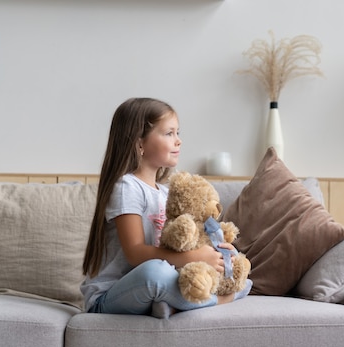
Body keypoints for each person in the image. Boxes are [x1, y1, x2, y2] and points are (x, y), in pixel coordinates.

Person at [81, 97, 251, 318]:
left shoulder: (166, 193)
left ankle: (169, 302)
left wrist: (216, 252)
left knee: (236, 262)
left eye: (178, 133)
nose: (178, 141)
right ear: (139, 143)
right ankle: (218, 300)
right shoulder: (127, 187)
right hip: (110, 296)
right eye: (169, 133)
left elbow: (184, 243)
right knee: (156, 272)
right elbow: (135, 254)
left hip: (152, 289)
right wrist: (194, 257)